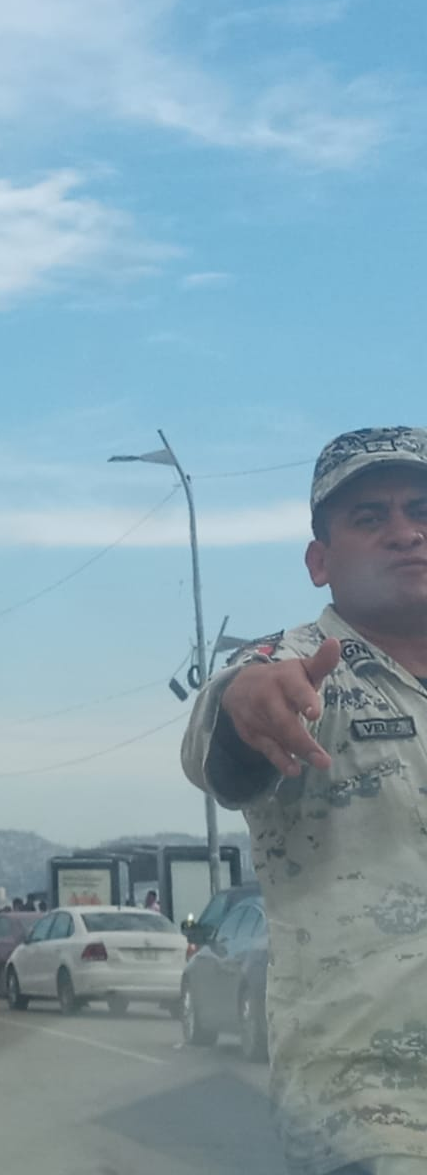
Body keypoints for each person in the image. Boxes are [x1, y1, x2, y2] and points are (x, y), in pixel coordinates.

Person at [181, 426, 427, 1175]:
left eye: (421, 511)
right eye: (370, 517)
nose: (405, 532)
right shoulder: (294, 665)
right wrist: (245, 704)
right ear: (320, 561)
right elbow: (224, 728)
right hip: (374, 1103)